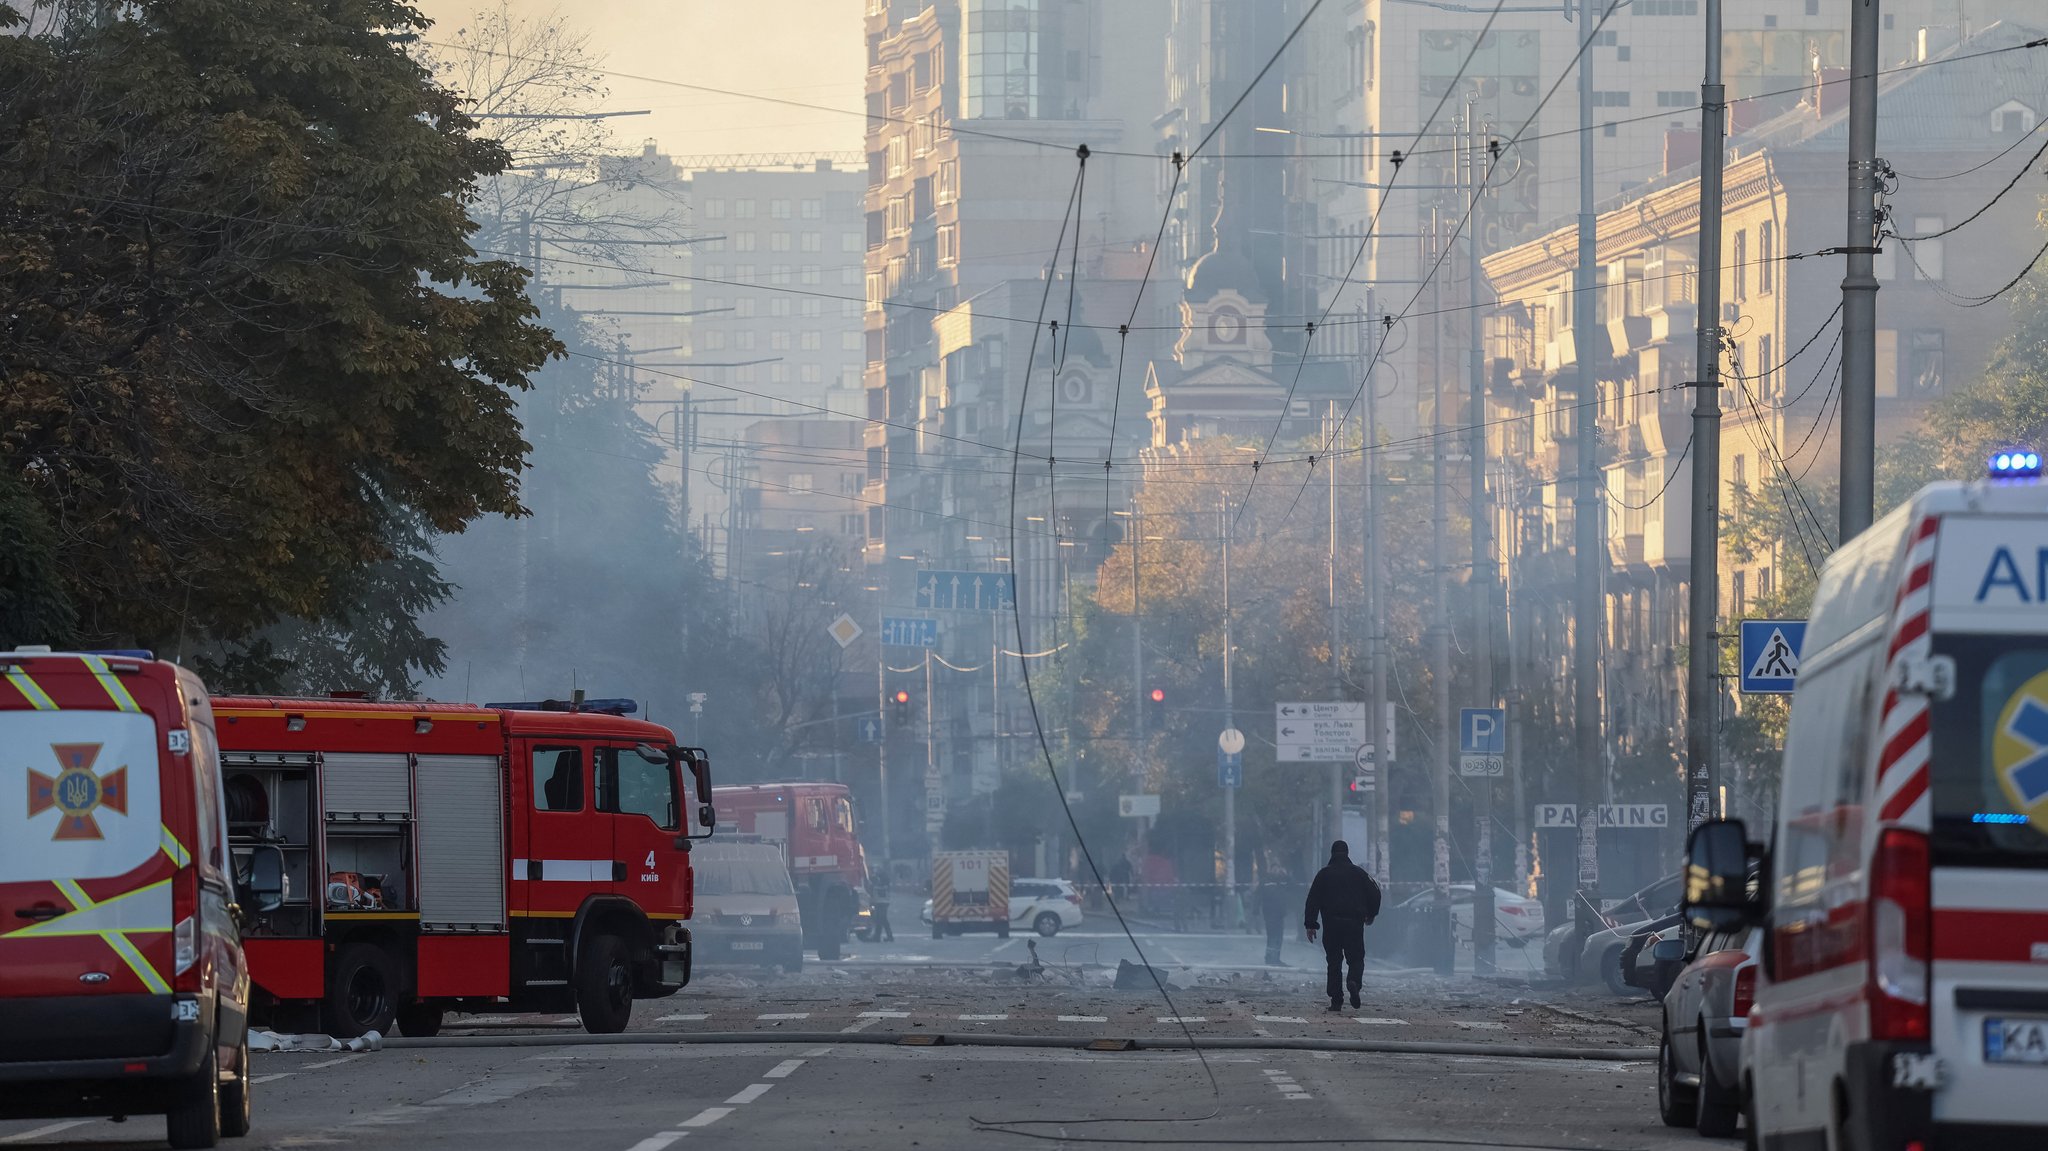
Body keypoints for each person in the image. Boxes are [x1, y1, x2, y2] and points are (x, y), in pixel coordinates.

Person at [1303, 840, 1381, 1012]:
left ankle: (1336, 999)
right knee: (1356, 958)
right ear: (1347, 853)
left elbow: (1313, 900)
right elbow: (1375, 892)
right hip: (1354, 924)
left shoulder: (1324, 874)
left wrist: (1311, 924)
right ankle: (1353, 981)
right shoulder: (1359, 874)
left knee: (1334, 961)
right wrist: (1371, 913)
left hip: (1331, 924)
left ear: (1332, 854)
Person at [1256, 864, 1297, 966]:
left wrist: (1287, 875)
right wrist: (1255, 910)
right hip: (1269, 913)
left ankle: (1276, 958)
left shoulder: (1282, 880)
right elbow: (1257, 895)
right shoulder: (1265, 881)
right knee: (1272, 937)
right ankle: (1270, 958)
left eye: (1278, 869)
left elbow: (1293, 886)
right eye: (1274, 868)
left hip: (1280, 913)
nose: (1276, 871)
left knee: (1279, 937)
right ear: (1270, 870)